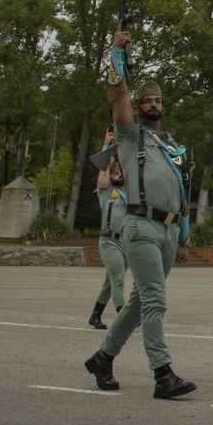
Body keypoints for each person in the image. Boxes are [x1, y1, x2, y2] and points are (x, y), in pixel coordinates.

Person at [82, 27, 196, 399]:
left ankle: (103, 357)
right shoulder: (130, 136)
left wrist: (184, 224)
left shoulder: (170, 145)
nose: (151, 103)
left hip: (166, 229)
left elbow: (182, 187)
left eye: (157, 100)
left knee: (138, 302)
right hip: (140, 224)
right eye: (144, 100)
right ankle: (162, 374)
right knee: (154, 300)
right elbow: (118, 94)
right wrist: (116, 54)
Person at [88, 139, 129, 330]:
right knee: (118, 279)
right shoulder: (106, 192)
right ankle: (124, 316)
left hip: (126, 244)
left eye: (121, 172)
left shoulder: (132, 195)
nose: (118, 175)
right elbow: (102, 172)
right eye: (115, 172)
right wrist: (107, 146)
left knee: (110, 281)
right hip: (109, 241)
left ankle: (95, 315)